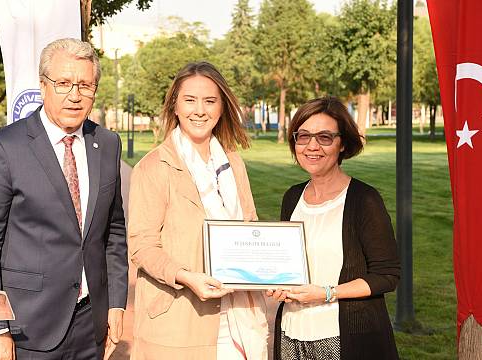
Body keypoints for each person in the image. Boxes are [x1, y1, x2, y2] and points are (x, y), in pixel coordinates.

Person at [0, 38, 128, 360]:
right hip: (26, 328)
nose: (75, 95)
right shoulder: (4, 148)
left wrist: (116, 304)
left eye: (85, 85)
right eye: (63, 83)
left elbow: (114, 232)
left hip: (91, 323)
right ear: (43, 86)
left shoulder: (107, 144)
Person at [128, 61, 268, 360]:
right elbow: (141, 245)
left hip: (238, 315)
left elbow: (250, 226)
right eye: (189, 100)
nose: (199, 110)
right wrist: (186, 276)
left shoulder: (234, 163)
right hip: (179, 319)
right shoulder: (154, 167)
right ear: (174, 106)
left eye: (209, 101)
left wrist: (269, 272)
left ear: (221, 108)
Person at [267, 96, 400, 359]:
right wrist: (277, 283)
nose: (312, 146)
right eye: (303, 136)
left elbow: (387, 275)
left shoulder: (364, 200)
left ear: (342, 144)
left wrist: (327, 293)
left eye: (324, 137)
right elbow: (289, 263)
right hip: (292, 333)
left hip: (342, 336)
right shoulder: (292, 197)